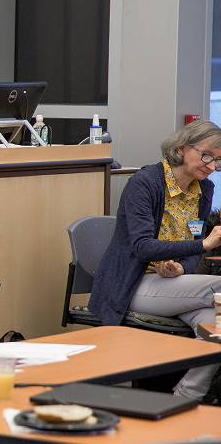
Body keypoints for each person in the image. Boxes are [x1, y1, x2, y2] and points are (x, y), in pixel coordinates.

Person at [89, 120, 221, 401]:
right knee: (218, 289)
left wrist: (181, 266)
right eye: (208, 156)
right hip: (130, 285)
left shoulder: (203, 190)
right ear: (183, 148)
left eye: (219, 162)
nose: (211, 167)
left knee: (218, 326)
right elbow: (141, 247)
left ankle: (183, 399)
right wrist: (205, 243)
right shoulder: (145, 183)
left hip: (172, 286)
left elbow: (192, 247)